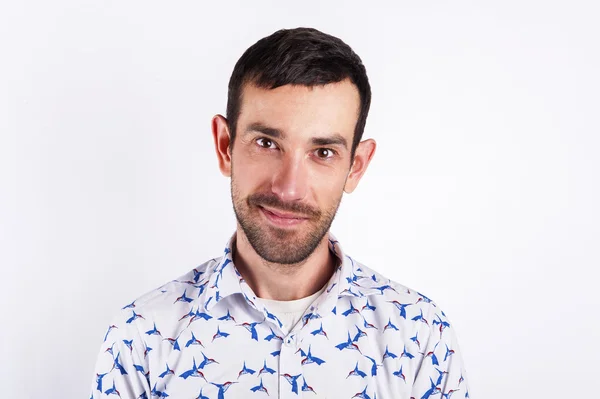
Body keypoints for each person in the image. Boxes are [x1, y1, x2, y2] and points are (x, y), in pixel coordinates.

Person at [89, 27, 471, 399]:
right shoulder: (139, 337)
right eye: (267, 143)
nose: (288, 188)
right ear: (225, 146)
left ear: (355, 166)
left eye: (323, 152)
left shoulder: (420, 336)